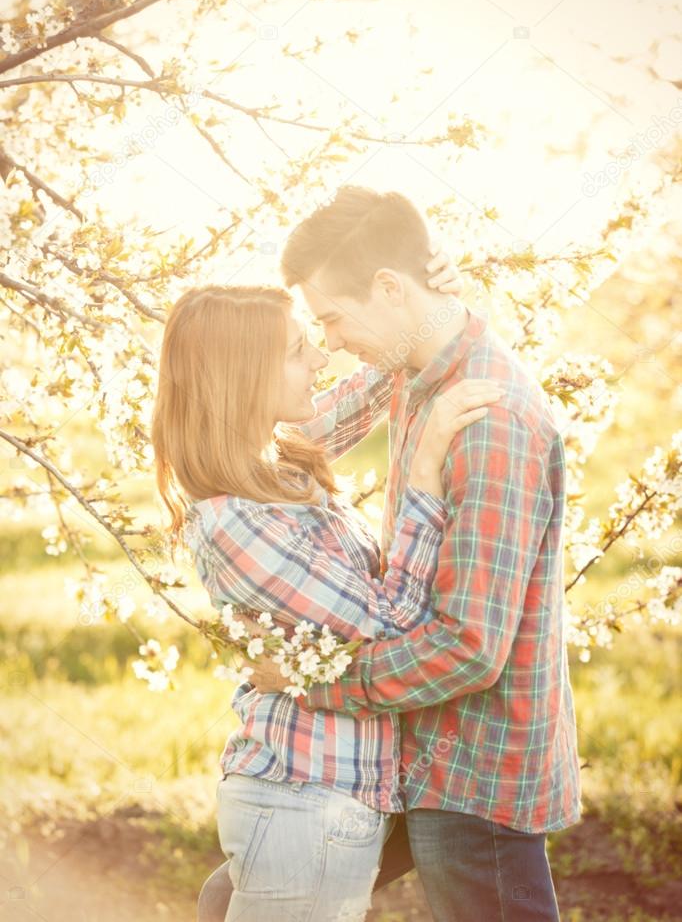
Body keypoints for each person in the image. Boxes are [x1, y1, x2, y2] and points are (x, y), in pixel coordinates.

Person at [249, 186, 582, 922]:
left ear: (389, 288)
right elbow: (294, 447)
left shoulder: (489, 422)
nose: (328, 341)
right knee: (241, 897)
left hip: (475, 776)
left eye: (332, 318)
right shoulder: (417, 370)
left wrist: (313, 683)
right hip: (415, 747)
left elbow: (469, 649)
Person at [151, 255, 501, 921]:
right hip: (305, 802)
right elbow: (391, 620)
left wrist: (426, 313)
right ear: (243, 377)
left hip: (331, 799)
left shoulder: (273, 464)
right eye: (296, 349)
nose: (319, 357)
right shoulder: (236, 521)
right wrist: (424, 472)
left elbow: (365, 390)